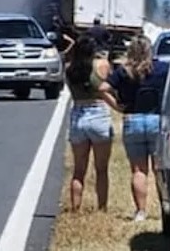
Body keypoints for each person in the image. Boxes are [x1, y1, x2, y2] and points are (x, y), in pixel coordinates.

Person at [99, 34, 170, 221]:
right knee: (159, 169)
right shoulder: (162, 69)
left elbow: (103, 88)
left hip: (133, 120)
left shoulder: (124, 71)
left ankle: (140, 212)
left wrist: (117, 106)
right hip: (156, 120)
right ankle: (165, 207)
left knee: (139, 170)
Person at [64, 33, 114, 211]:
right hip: (98, 113)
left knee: (78, 170)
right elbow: (110, 85)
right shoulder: (101, 65)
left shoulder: (70, 69)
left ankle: (75, 207)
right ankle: (101, 207)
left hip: (78, 114)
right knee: (101, 168)